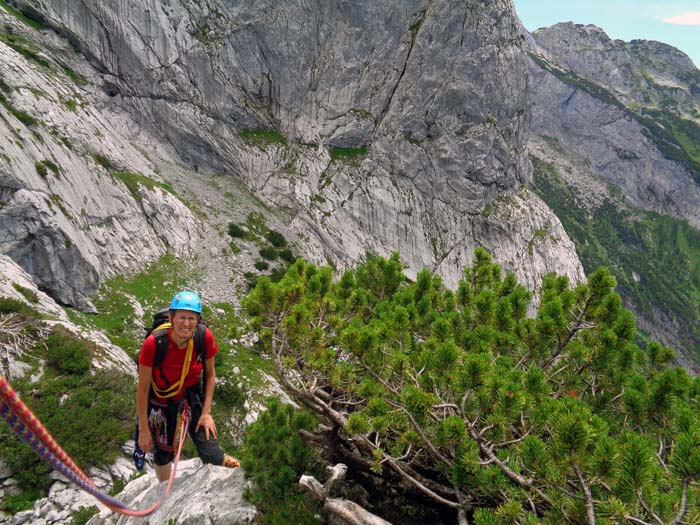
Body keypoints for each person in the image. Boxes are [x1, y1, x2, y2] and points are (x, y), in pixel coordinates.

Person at [136, 290, 239, 482]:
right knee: (163, 452)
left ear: (198, 320)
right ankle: (165, 490)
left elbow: (210, 376)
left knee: (211, 453)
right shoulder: (154, 343)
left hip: (191, 393)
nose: (186, 323)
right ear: (171, 317)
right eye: (181, 317)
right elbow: (142, 388)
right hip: (160, 398)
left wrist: (206, 413)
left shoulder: (203, 337)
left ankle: (222, 459)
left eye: (191, 318)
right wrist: (143, 428)